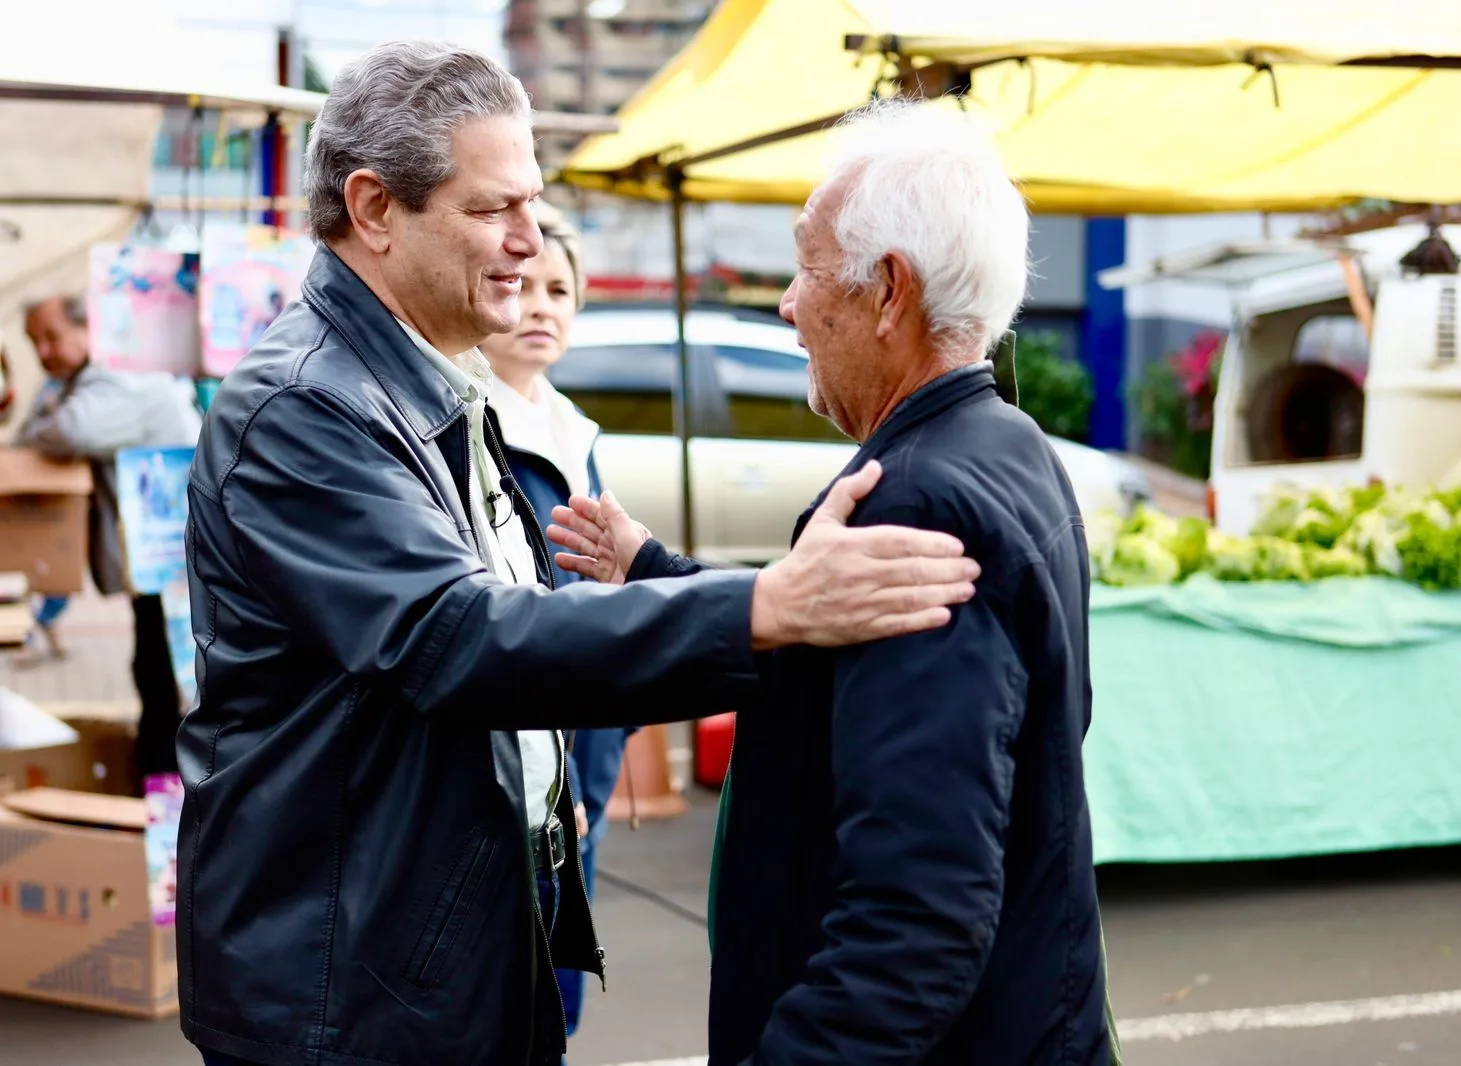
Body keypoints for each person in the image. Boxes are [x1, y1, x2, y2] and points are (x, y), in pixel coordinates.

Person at [175, 42, 983, 1066]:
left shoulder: (427, 378)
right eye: (493, 209)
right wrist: (764, 607)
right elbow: (453, 636)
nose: (530, 243)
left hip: (428, 959)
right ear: (374, 209)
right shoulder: (305, 406)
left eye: (533, 205)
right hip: (349, 995)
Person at [549, 99, 1119, 1064]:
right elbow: (820, 654)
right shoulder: (1007, 444)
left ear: (890, 291)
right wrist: (652, 570)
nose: (787, 303)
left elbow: (918, 918)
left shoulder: (922, 502)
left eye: (807, 268)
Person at [477, 197, 632, 1042]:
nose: (541, 306)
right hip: (526, 777)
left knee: (557, 999)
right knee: (512, 1006)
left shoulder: (577, 434)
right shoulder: (469, 426)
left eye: (562, 291)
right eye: (525, 285)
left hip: (585, 769)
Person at [16, 295, 203, 785]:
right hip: (161, 560)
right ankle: (161, 786)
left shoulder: (118, 376)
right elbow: (30, 432)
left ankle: (170, 792)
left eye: (52, 336)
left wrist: (45, 417)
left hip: (181, 561)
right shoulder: (85, 380)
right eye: (35, 341)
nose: (44, 351)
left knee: (167, 680)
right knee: (154, 673)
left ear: (88, 329)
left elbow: (72, 429)